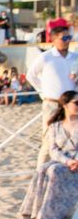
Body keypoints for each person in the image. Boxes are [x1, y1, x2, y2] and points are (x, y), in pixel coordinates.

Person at [20, 90, 78, 219]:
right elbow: (53, 150)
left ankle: (50, 213)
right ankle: (35, 210)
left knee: (54, 170)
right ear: (65, 105)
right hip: (64, 160)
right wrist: (68, 161)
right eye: (76, 103)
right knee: (42, 168)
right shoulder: (55, 126)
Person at [26, 26, 78, 166]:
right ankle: (41, 173)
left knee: (73, 139)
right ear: (54, 39)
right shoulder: (46, 57)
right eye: (64, 38)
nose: (67, 41)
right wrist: (43, 92)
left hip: (72, 104)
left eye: (69, 38)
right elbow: (31, 75)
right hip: (52, 103)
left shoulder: (75, 57)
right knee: (49, 141)